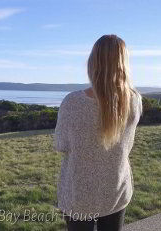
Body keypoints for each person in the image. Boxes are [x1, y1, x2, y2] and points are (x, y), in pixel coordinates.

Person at [54, 34, 143, 231]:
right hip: (116, 187)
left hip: (79, 193)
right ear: (124, 63)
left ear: (93, 62)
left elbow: (60, 145)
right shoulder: (135, 100)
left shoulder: (73, 102)